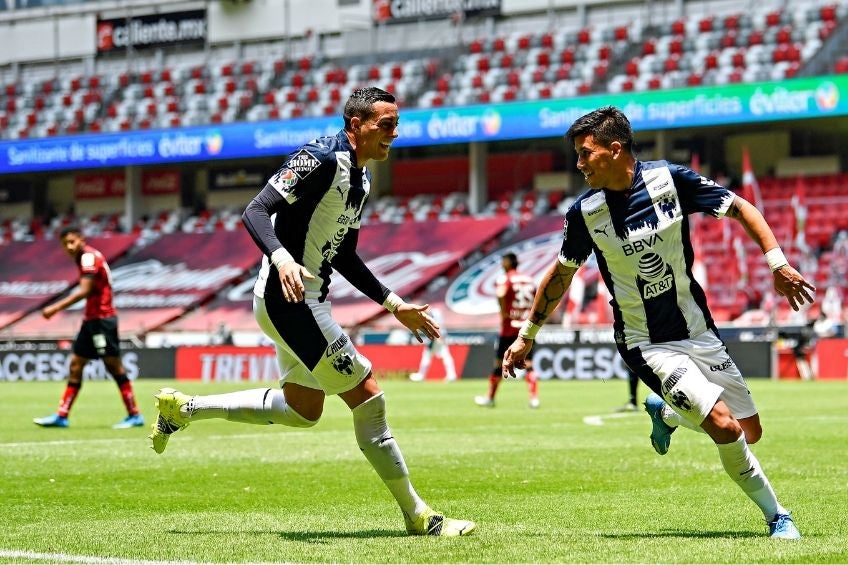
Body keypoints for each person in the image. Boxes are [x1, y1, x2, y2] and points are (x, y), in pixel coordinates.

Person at [148, 87, 475, 537]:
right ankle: (419, 516)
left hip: (304, 301)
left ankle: (185, 408)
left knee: (303, 410)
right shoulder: (318, 158)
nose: (394, 135)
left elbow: (345, 254)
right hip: (290, 302)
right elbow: (256, 210)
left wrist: (394, 304)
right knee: (369, 397)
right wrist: (281, 257)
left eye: (397, 125)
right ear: (355, 125)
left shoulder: (361, 179)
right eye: (385, 126)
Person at [502, 106, 814, 540]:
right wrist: (526, 337)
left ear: (615, 149)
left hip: (698, 329)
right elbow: (559, 277)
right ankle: (777, 516)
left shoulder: (670, 180)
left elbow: (741, 208)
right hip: (645, 342)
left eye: (585, 153)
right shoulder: (585, 213)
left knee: (750, 431)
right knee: (723, 426)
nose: (578, 164)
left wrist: (777, 264)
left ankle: (667, 413)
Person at [33, 226, 144, 429]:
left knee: (113, 366)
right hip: (91, 320)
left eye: (72, 241)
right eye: (65, 244)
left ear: (82, 240)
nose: (69, 246)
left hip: (103, 319)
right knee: (76, 364)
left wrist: (54, 308)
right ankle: (62, 415)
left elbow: (85, 290)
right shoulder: (84, 257)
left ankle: (135, 415)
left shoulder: (88, 258)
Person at [475, 252, 539, 408]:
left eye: (503, 261)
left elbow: (501, 293)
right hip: (526, 328)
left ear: (509, 262)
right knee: (528, 363)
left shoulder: (505, 278)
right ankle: (534, 398)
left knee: (499, 363)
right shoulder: (529, 279)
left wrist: (503, 311)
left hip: (509, 327)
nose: (501, 264)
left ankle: (490, 398)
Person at [409, 307, 458, 381]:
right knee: (443, 355)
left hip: (437, 337)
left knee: (430, 356)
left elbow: (437, 326)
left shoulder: (433, 314)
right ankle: (451, 375)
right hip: (437, 337)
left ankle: (421, 375)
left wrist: (438, 338)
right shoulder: (434, 314)